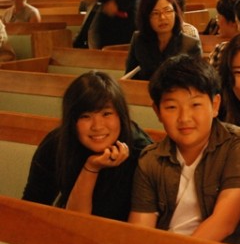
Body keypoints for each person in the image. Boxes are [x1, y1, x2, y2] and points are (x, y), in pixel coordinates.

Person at [128, 54, 240, 244]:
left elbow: (224, 223)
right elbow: (140, 232)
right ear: (157, 112)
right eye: (172, 107)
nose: (185, 118)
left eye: (195, 105)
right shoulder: (151, 160)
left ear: (215, 105)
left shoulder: (239, 146)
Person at [22, 71, 153, 221]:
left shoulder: (142, 153)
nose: (97, 126)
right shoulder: (56, 144)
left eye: (106, 114)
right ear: (72, 121)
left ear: (121, 116)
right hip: (72, 230)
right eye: (85, 116)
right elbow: (32, 208)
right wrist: (91, 167)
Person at [125, 0, 202, 80]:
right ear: (146, 17)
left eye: (168, 11)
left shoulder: (190, 44)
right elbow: (129, 77)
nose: (162, 17)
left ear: (175, 13)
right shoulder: (138, 40)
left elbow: (197, 81)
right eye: (155, 13)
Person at [208, 0, 240, 70]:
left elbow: (211, 77)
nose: (217, 21)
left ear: (234, 21)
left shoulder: (224, 50)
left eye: (219, 16)